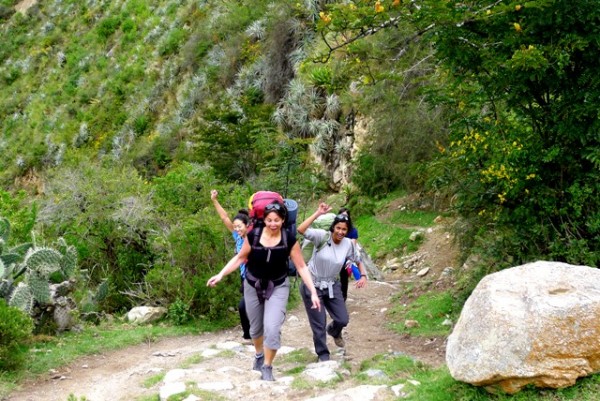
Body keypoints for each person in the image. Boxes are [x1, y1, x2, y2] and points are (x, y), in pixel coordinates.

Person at [207, 201, 321, 381]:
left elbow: (301, 266)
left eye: (277, 220)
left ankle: (267, 366)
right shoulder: (253, 235)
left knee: (273, 328)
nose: (273, 224)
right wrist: (220, 274)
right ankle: (259, 355)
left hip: (277, 286)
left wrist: (313, 292)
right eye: (269, 220)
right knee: (256, 328)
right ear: (264, 220)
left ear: (283, 220)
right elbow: (240, 258)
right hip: (252, 285)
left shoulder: (289, 239)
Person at [297, 203, 368, 362]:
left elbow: (357, 259)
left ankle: (334, 331)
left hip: (332, 285)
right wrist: (317, 212)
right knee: (319, 323)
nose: (341, 232)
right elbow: (301, 230)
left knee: (343, 319)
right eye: (338, 228)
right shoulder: (321, 236)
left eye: (344, 229)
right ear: (333, 228)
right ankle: (323, 355)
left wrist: (362, 276)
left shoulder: (349, 244)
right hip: (312, 285)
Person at [210, 189, 251, 340]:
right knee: (247, 307)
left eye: (240, 226)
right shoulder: (237, 236)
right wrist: (214, 200)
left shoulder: (255, 238)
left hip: (256, 276)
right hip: (244, 277)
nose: (237, 229)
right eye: (235, 226)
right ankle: (251, 335)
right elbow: (224, 217)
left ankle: (253, 335)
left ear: (248, 225)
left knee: (244, 306)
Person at [338, 207, 362, 301]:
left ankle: (343, 297)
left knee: (344, 277)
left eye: (346, 216)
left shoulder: (353, 231)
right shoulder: (334, 229)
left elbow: (352, 246)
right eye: (342, 216)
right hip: (333, 256)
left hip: (346, 257)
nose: (344, 218)